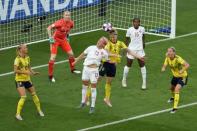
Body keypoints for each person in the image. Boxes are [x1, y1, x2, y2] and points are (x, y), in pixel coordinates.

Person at [99, 29, 144, 107]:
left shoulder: (120, 43)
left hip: (113, 65)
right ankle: (87, 96)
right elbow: (106, 52)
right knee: (97, 81)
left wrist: (139, 57)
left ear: (116, 36)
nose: (113, 38)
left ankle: (107, 99)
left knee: (109, 82)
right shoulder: (108, 44)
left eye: (114, 36)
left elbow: (129, 51)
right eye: (111, 36)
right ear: (109, 37)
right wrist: (115, 55)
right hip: (105, 63)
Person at [73, 37, 108, 114]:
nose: (99, 42)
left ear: (103, 45)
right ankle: (82, 103)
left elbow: (106, 60)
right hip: (86, 69)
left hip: (94, 71)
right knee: (84, 86)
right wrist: (76, 61)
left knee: (93, 88)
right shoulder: (90, 47)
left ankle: (92, 106)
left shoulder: (104, 52)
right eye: (99, 40)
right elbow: (83, 54)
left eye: (101, 42)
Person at [47, 11, 80, 83]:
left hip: (63, 40)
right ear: (63, 16)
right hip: (55, 40)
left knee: (71, 54)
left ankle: (73, 69)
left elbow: (69, 30)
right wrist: (50, 38)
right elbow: (49, 28)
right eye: (66, 15)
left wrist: (67, 36)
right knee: (52, 58)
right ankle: (50, 76)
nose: (67, 16)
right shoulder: (59, 23)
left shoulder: (71, 23)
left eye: (69, 15)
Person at [14, 44, 44, 121]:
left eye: (26, 47)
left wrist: (33, 73)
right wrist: (25, 72)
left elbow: (29, 67)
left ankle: (39, 110)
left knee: (34, 94)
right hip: (19, 80)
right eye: (25, 47)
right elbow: (15, 71)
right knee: (23, 97)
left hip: (27, 80)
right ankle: (17, 114)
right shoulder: (17, 59)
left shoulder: (27, 57)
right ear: (21, 50)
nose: (27, 48)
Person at [161, 47, 189, 113]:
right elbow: (165, 65)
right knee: (171, 88)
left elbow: (187, 65)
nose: (169, 53)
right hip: (175, 76)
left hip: (183, 77)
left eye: (170, 51)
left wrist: (182, 70)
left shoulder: (178, 59)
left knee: (177, 89)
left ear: (174, 52)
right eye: (168, 51)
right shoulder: (167, 58)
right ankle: (173, 98)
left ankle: (175, 108)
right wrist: (163, 68)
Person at [122, 18, 147, 89]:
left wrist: (143, 42)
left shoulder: (142, 29)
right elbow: (126, 39)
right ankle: (124, 80)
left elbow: (143, 36)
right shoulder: (129, 30)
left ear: (139, 23)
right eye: (134, 22)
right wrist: (125, 49)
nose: (136, 23)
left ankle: (144, 83)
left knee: (142, 65)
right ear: (132, 23)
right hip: (131, 50)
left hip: (140, 50)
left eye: (137, 22)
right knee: (128, 64)